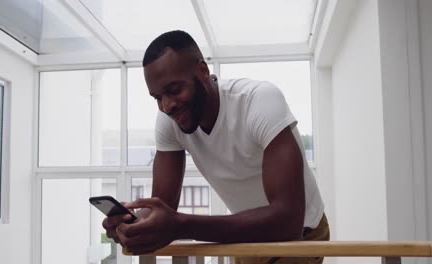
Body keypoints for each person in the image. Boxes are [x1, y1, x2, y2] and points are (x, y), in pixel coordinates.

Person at [103, 30, 329, 264]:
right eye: (157, 97)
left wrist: (180, 225)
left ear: (202, 71)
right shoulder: (169, 123)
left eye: (174, 90)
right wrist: (134, 225)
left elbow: (287, 221)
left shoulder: (259, 101)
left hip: (302, 233)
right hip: (249, 236)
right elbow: (162, 207)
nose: (167, 105)